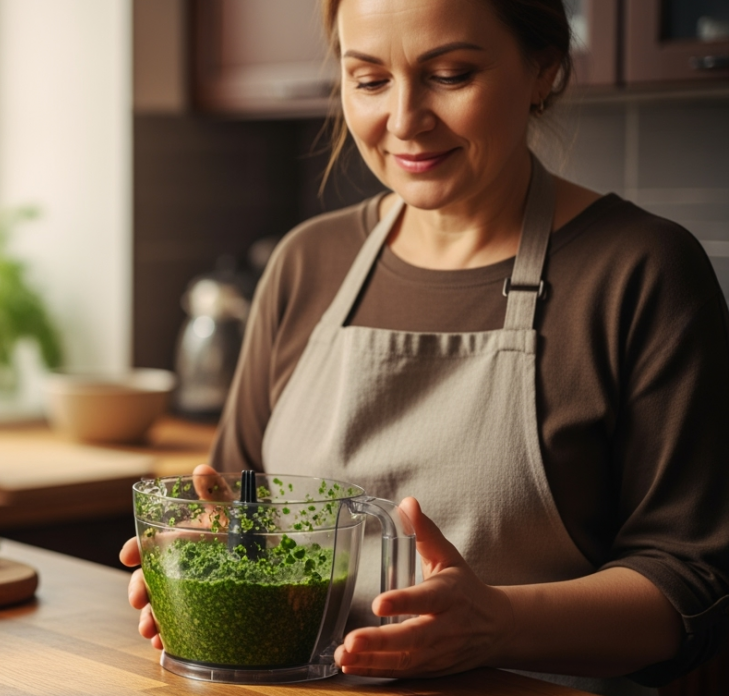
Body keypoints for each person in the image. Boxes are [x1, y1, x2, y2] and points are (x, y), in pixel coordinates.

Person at [119, 1, 729, 694]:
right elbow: (233, 509)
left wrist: (498, 623)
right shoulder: (305, 263)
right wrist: (198, 556)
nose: (405, 119)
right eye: (370, 79)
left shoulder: (639, 271)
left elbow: (694, 588)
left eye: (450, 73)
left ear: (543, 70)